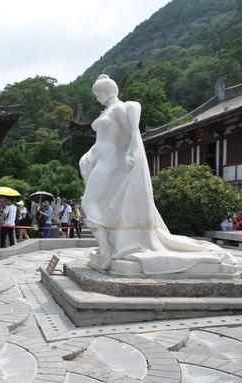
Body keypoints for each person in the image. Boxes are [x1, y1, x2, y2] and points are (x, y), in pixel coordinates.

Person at [79, 74, 236, 274]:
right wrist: (88, 156)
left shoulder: (119, 108)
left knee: (88, 203)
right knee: (98, 204)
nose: (97, 97)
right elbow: (100, 141)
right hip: (100, 159)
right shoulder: (106, 112)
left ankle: (105, 249)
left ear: (106, 91)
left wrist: (131, 152)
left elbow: (133, 133)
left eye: (98, 93)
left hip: (111, 162)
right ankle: (106, 245)